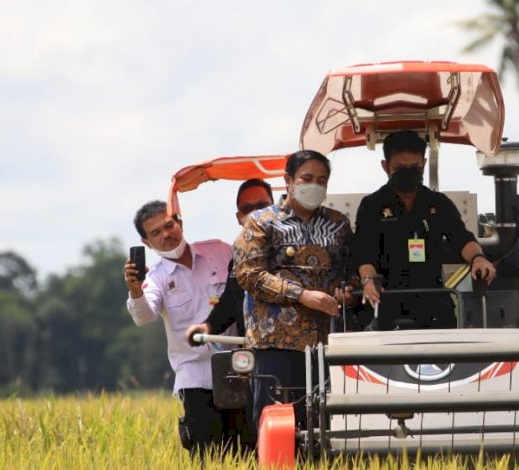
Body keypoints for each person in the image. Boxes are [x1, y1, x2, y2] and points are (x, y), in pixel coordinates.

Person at [233, 150, 354, 429]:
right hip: (276, 341)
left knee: (327, 422)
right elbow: (249, 275)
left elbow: (350, 271)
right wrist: (301, 295)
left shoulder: (338, 224)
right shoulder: (261, 222)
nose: (314, 185)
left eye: (322, 180)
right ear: (288, 180)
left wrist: (344, 290)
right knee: (279, 423)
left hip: (327, 340)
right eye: (307, 178)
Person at [122, 201, 249, 453]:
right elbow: (144, 315)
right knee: (206, 454)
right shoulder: (157, 277)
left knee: (246, 450)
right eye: (156, 233)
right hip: (195, 375)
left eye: (169, 225)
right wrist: (135, 289)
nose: (166, 235)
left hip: (239, 367)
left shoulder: (221, 252)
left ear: (179, 222)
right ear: (146, 243)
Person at [353, 131, 496, 330]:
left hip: (433, 298)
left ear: (424, 164)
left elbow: (461, 238)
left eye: (415, 168)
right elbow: (363, 252)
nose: (408, 173)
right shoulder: (372, 205)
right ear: (386, 167)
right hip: (386, 298)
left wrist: (478, 258)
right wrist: (368, 280)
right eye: (400, 168)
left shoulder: (438, 203)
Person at [185, 179, 275, 343]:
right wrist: (207, 327)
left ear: (276, 208)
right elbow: (230, 302)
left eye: (262, 206)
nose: (255, 213)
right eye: (248, 209)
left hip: (293, 348)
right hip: (252, 352)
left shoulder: (294, 248)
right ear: (239, 217)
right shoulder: (239, 258)